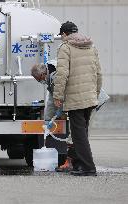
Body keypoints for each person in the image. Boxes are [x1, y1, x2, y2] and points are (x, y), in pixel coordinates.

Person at [53, 21, 102, 176]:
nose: (61, 38)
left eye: (61, 35)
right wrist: (96, 93)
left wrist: (58, 96)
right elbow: (98, 73)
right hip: (90, 97)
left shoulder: (65, 48)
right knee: (82, 133)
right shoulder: (91, 47)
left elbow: (62, 75)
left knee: (78, 135)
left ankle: (88, 167)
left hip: (75, 100)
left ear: (65, 34)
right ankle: (79, 165)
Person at [31, 60, 74, 172]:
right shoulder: (50, 78)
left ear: (42, 74)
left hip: (87, 101)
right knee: (77, 132)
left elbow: (63, 96)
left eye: (39, 80)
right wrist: (47, 121)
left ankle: (73, 162)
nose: (41, 82)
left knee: (78, 132)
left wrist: (60, 110)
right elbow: (51, 101)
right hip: (77, 102)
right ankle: (76, 162)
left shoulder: (56, 77)